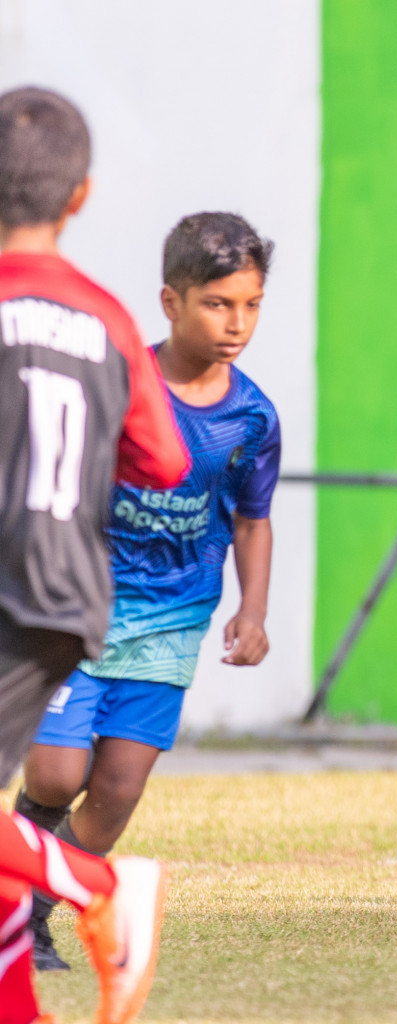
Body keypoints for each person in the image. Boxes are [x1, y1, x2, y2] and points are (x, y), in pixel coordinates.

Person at [15, 212, 279, 973]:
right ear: (171, 301)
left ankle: (28, 916)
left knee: (116, 793)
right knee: (57, 775)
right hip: (81, 608)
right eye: (217, 304)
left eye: (252, 305)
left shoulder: (253, 417)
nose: (236, 323)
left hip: (172, 624)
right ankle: (19, 915)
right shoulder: (115, 380)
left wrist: (251, 609)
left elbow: (255, 520)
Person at [0, 86, 190, 1024]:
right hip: (72, 594)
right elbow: (163, 458)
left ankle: (99, 886)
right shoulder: (108, 318)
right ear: (79, 197)